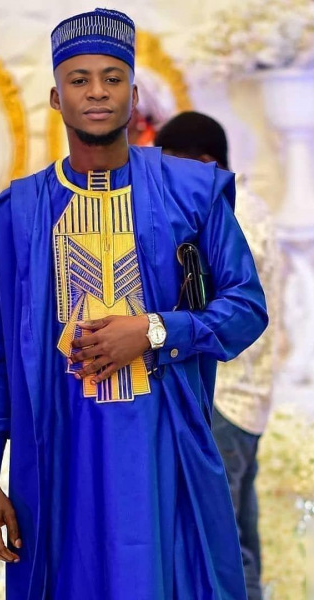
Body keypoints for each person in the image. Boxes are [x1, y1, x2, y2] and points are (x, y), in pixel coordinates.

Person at [0, 10, 268, 600]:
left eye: (112, 78)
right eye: (79, 80)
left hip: (163, 453)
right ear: (56, 98)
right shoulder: (17, 215)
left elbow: (246, 307)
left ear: (133, 93)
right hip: (57, 459)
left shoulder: (192, 193)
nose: (97, 92)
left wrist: (154, 330)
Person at [155, 111, 279, 600]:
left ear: (206, 163)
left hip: (222, 396)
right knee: (240, 539)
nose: (168, 182)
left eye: (174, 166)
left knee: (217, 546)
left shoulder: (226, 212)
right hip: (249, 400)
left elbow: (233, 310)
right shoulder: (256, 209)